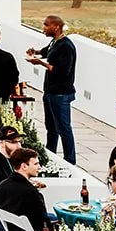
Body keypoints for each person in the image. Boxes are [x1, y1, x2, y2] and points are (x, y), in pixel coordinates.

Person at [27, 15, 77, 164]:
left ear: (56, 27)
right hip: (50, 92)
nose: (44, 28)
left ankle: (70, 160)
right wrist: (35, 52)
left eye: (46, 25)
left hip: (61, 93)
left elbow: (63, 71)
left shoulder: (66, 46)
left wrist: (42, 64)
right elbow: (47, 52)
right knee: (51, 127)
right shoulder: (54, 42)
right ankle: (50, 155)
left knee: (64, 128)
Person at [0, 147, 50, 231]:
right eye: (36, 164)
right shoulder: (30, 192)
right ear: (24, 166)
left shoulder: (2, 185)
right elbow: (42, 220)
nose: (40, 167)